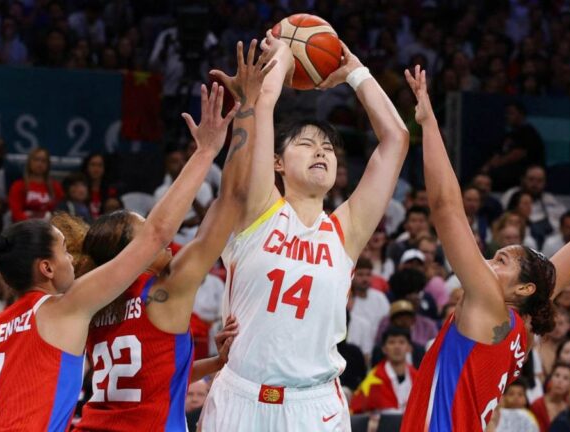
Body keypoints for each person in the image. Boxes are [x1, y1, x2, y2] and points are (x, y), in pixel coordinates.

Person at [0, 79, 230, 430]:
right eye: (64, 250)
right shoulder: (65, 309)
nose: (73, 258)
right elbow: (154, 235)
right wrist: (205, 152)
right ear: (47, 267)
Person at [400, 66, 570, 431]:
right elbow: (551, 281)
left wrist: (428, 122)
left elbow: (445, 208)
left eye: (501, 260)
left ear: (522, 289)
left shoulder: (490, 306)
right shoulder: (519, 328)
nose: (488, 262)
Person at [201, 32, 410, 431]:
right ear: (277, 163)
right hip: (240, 397)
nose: (321, 151)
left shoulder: (345, 231)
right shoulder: (258, 210)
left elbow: (395, 140)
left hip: (314, 407)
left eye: (329, 148)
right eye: (307, 144)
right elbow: (263, 106)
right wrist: (280, 55)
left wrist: (356, 72)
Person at [73, 41, 268, 431]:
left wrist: (214, 363)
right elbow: (234, 195)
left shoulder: (91, 303)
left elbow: (144, 379)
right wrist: (248, 105)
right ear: (130, 254)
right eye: (144, 230)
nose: (159, 235)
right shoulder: (167, 289)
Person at [350, 327, 417, 414]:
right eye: (391, 342)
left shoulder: (418, 378)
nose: (397, 347)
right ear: (384, 349)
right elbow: (354, 411)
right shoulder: (372, 381)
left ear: (409, 348)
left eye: (401, 342)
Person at [480, 102, 545, 191]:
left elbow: (517, 154)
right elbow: (498, 154)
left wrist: (498, 164)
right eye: (507, 113)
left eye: (511, 113)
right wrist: (487, 167)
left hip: (521, 172)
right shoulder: (509, 135)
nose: (507, 116)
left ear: (521, 115)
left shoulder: (528, 132)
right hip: (505, 171)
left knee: (497, 175)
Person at [7, 147, 64, 222]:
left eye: (43, 161)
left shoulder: (55, 187)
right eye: (36, 160)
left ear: (48, 164)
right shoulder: (18, 185)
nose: (39, 163)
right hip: (24, 226)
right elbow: (16, 212)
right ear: (29, 162)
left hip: (48, 227)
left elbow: (61, 211)